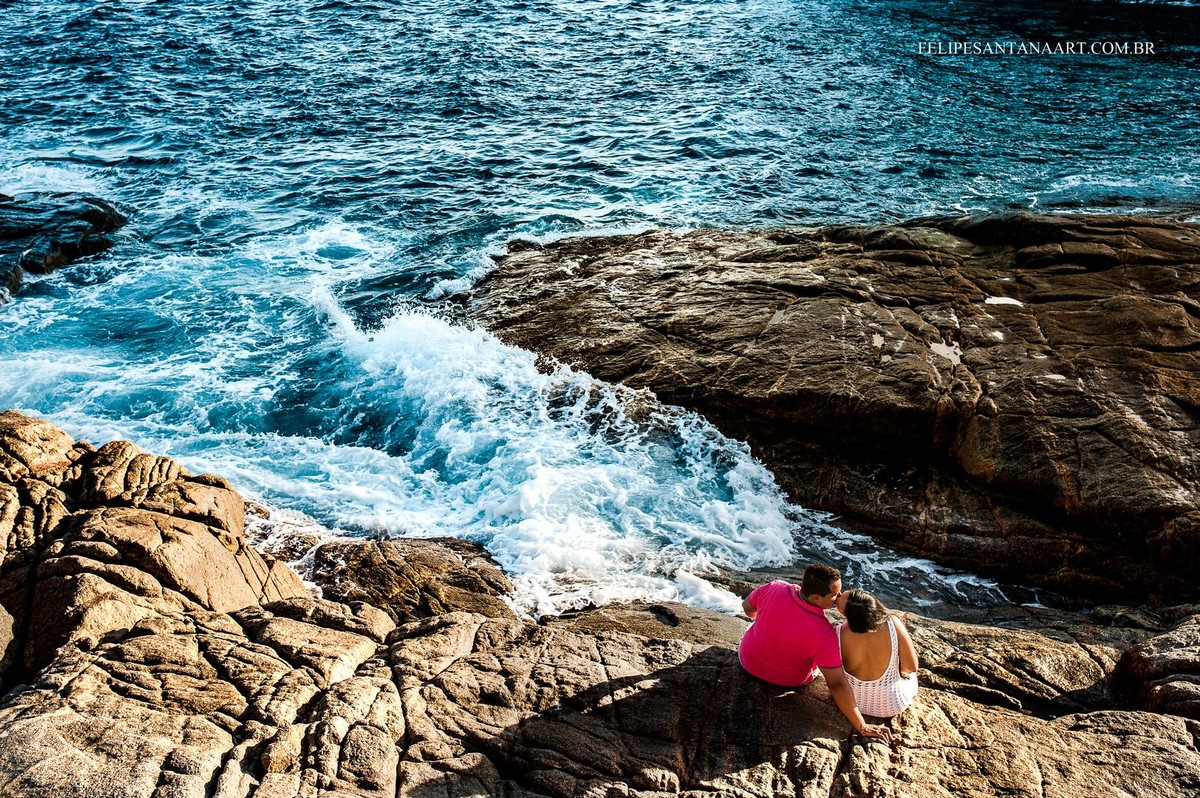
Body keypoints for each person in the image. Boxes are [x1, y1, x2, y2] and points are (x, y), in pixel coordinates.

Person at [739, 564, 893, 743]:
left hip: (748, 660)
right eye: (834, 594)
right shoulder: (824, 633)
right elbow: (837, 684)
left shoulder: (774, 587)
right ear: (816, 598)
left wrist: (769, 621)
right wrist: (862, 726)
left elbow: (747, 607)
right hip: (788, 680)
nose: (839, 597)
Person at [835, 589, 919, 718]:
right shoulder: (892, 622)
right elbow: (911, 667)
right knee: (910, 677)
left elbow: (835, 678)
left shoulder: (837, 634)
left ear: (842, 612)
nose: (838, 594)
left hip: (851, 702)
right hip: (892, 704)